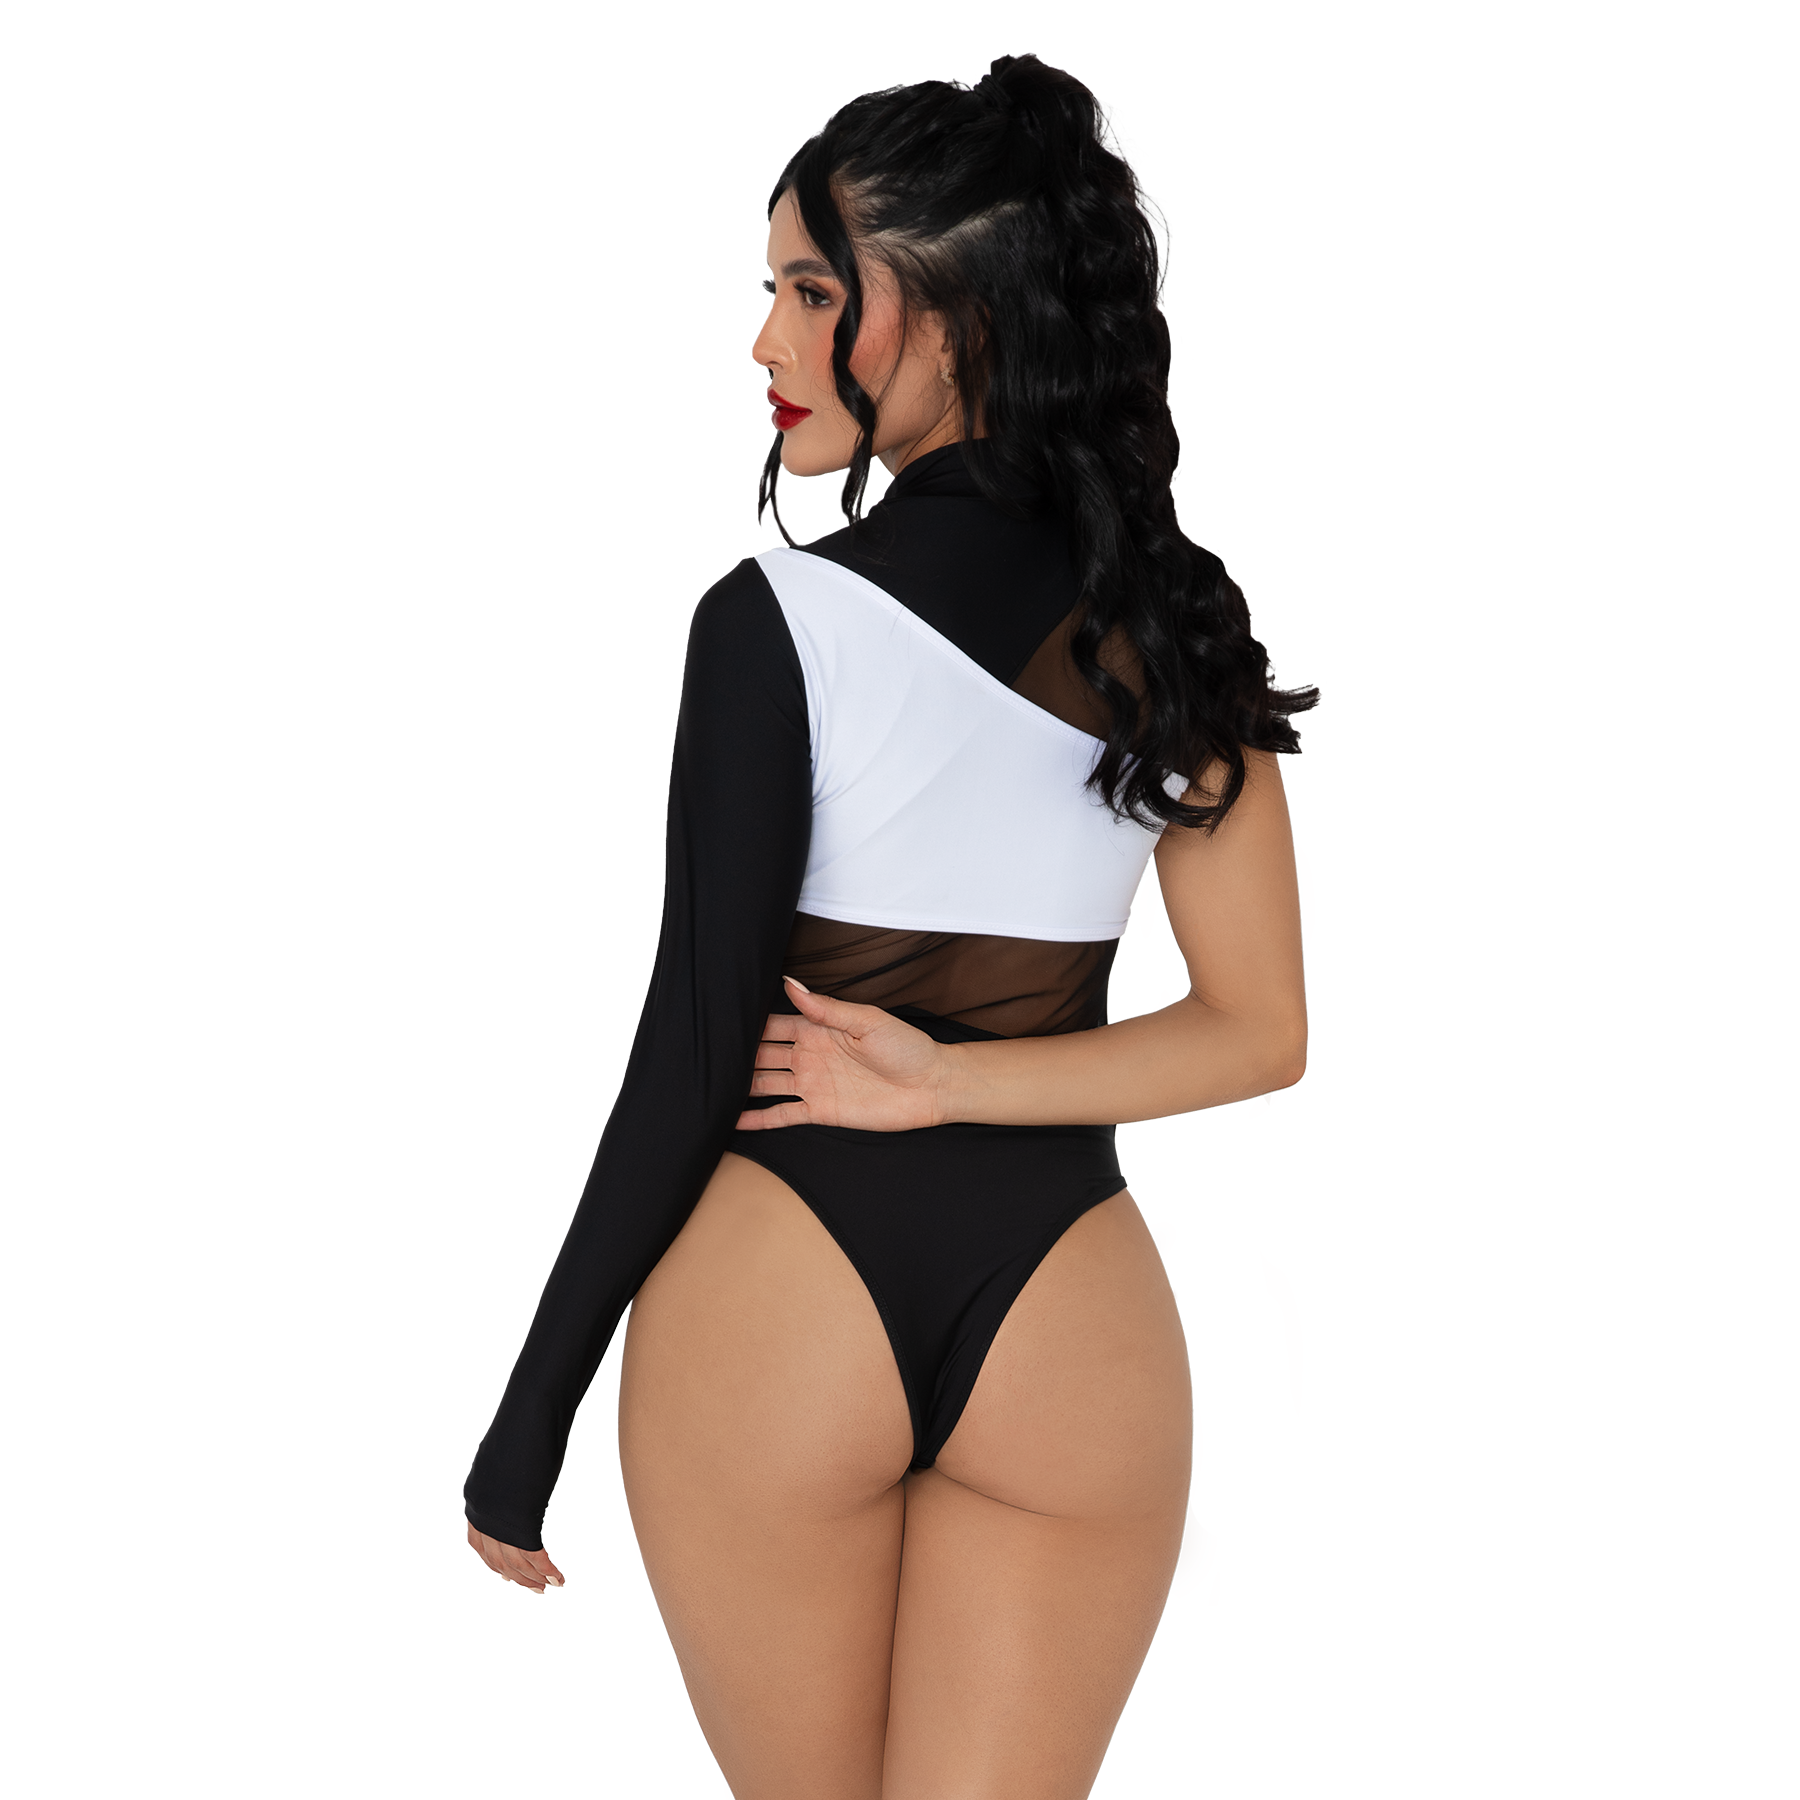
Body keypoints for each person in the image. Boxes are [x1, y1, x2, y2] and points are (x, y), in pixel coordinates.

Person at [464, 53, 1314, 1799]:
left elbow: (694, 1049)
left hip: (782, 1299)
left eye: (809, 291)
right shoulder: (1172, 624)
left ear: (950, 315)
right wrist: (958, 1084)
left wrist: (527, 1419)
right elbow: (1260, 1029)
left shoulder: (776, 621)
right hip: (1071, 1316)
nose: (765, 343)